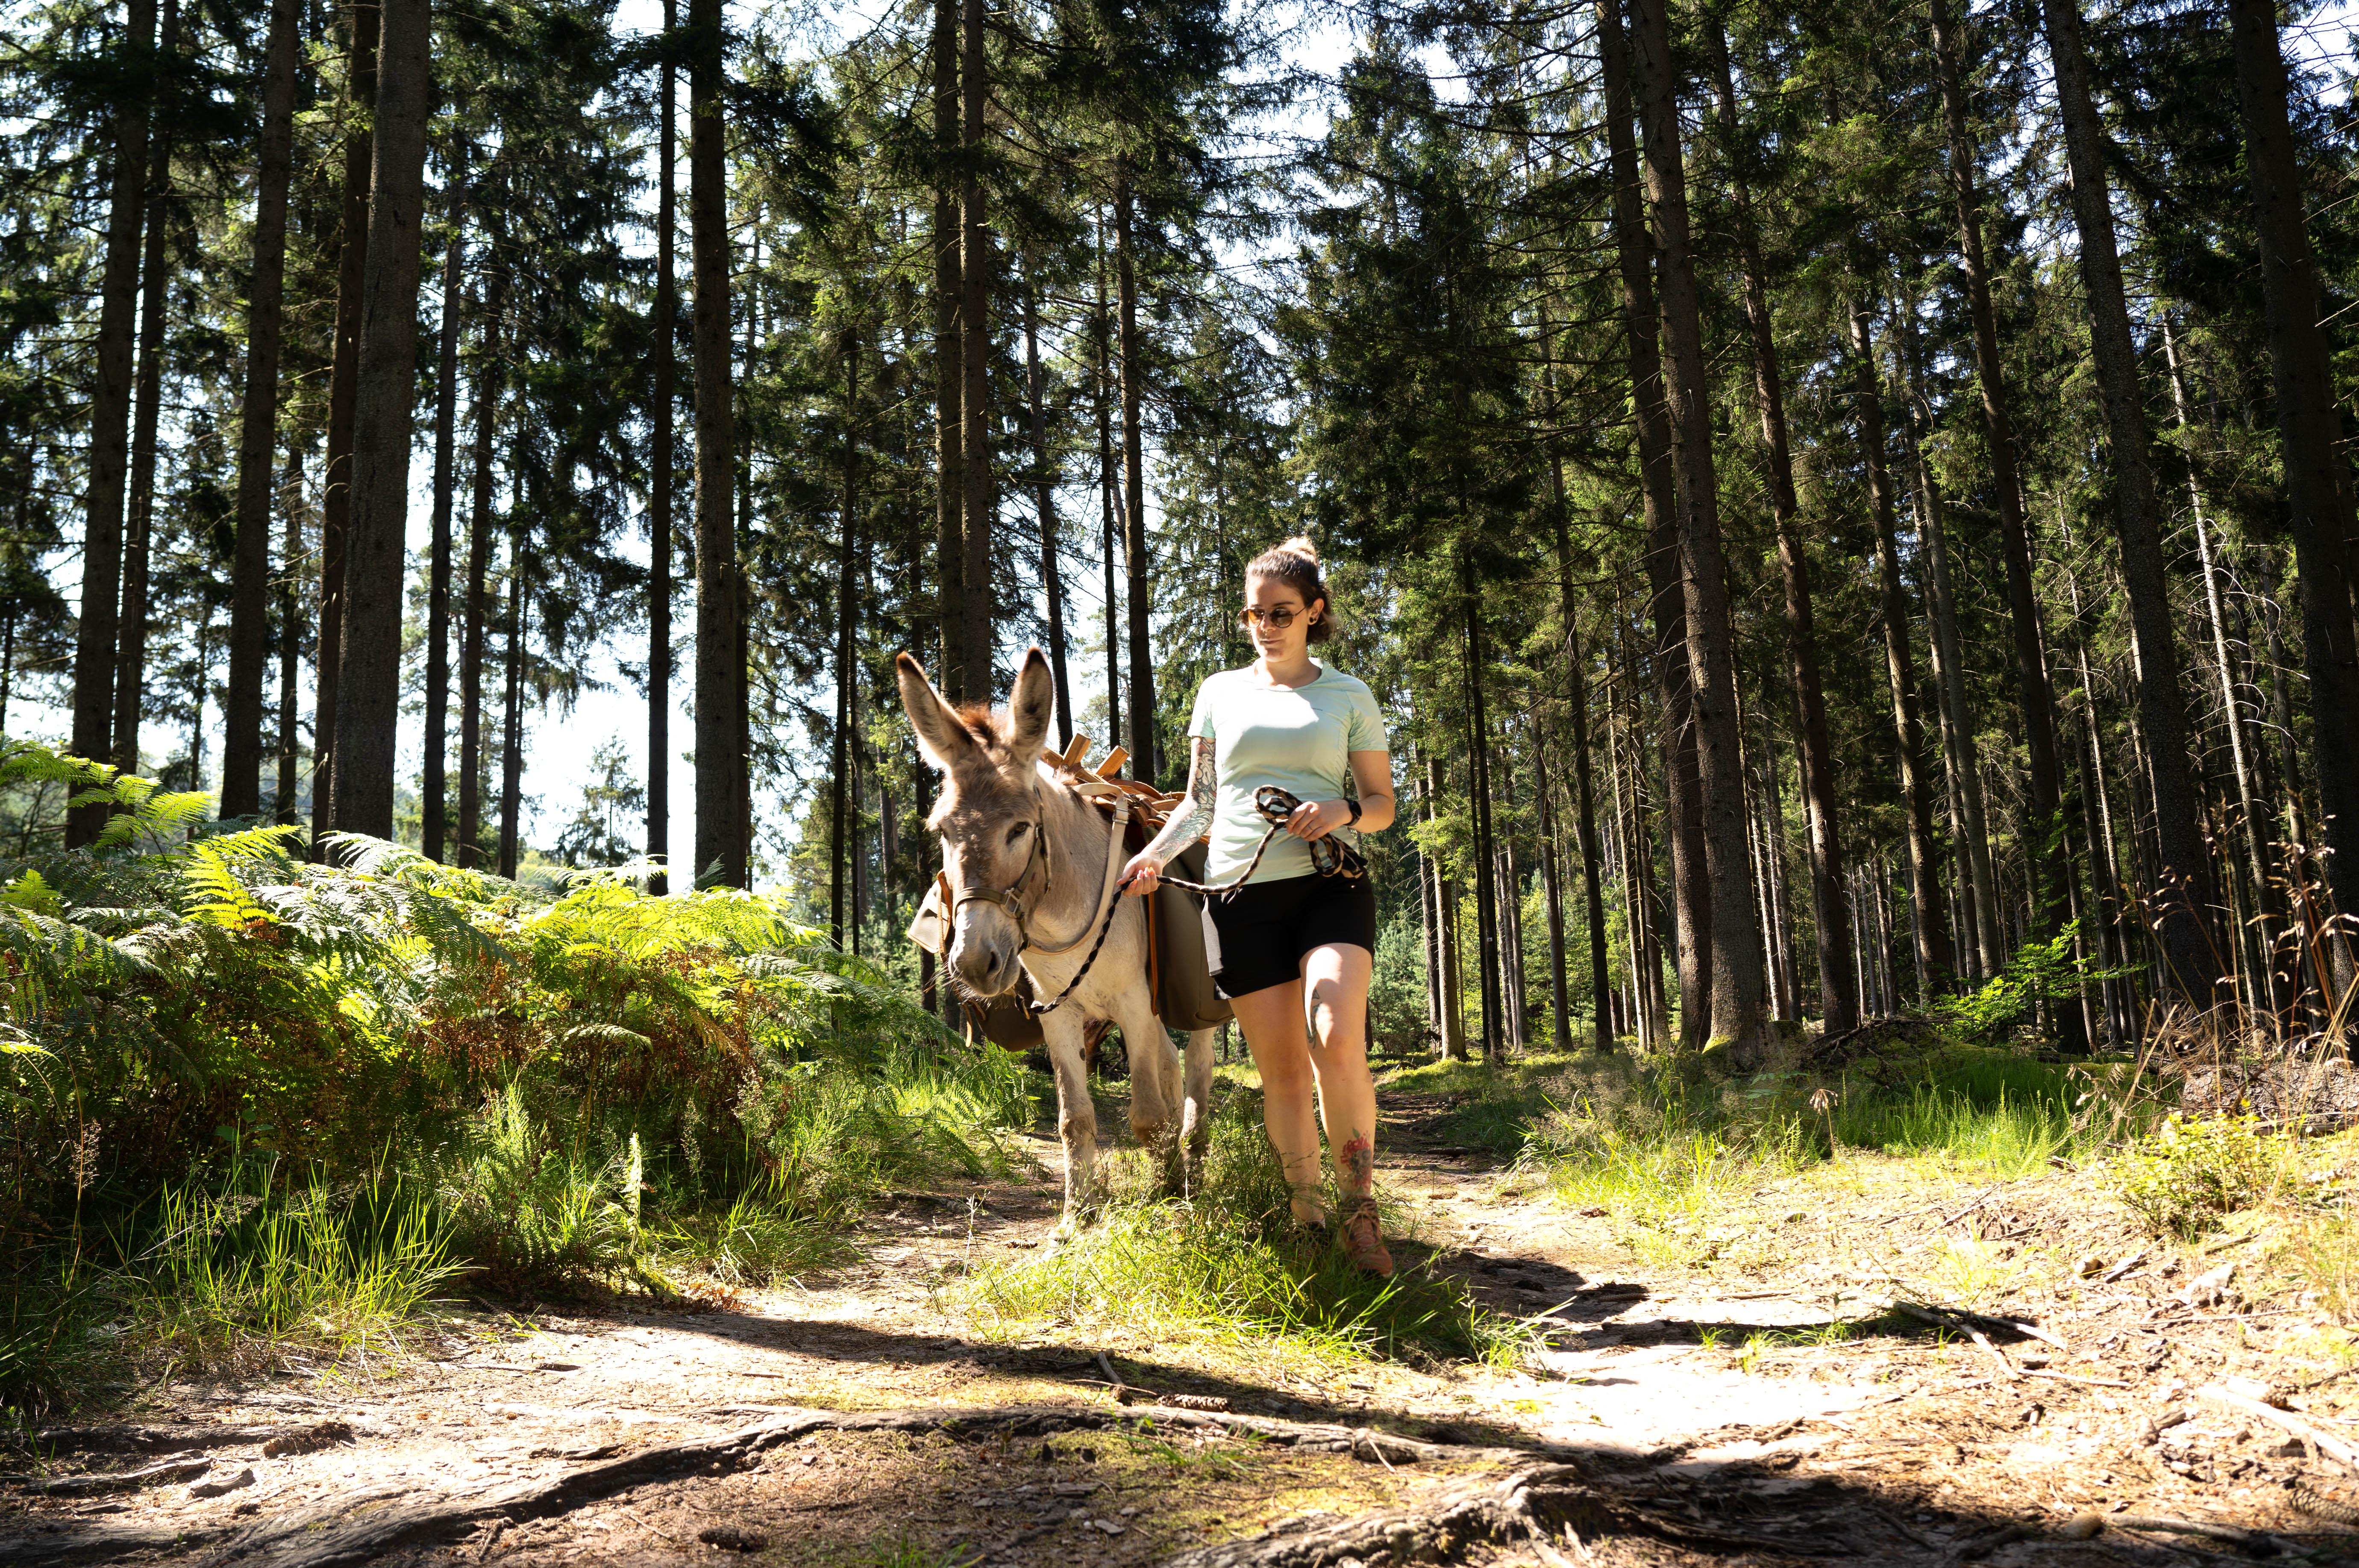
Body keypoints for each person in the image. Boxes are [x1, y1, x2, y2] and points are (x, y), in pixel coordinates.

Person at [1120, 536, 1398, 1274]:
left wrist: (1340, 809)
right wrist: (1151, 854)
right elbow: (1202, 802)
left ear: (1313, 611)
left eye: (1280, 612)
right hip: (1238, 896)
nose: (1264, 624)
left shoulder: (1348, 695)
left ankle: (1360, 1211)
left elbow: (1381, 806)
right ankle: (1309, 1221)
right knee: (1279, 1069)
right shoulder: (1218, 693)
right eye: (1252, 613)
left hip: (1326, 885)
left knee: (1334, 1031)